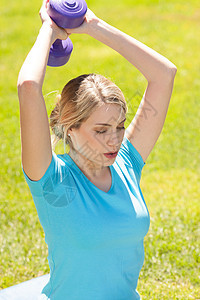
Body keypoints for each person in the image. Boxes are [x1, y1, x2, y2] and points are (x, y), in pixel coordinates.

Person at [17, 0, 177, 299]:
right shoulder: (52, 180)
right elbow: (28, 86)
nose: (114, 140)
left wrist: (92, 26)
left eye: (119, 127)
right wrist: (49, 30)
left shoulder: (127, 162)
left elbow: (164, 74)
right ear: (70, 127)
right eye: (101, 130)